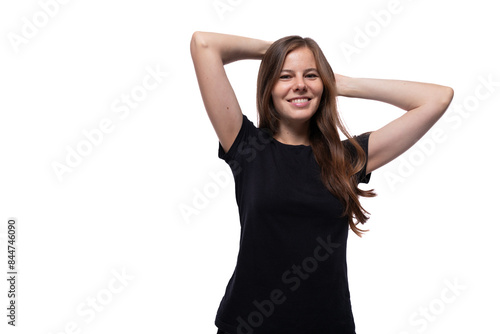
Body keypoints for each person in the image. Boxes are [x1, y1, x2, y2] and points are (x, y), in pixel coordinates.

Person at [190, 31, 453, 334]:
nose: (299, 84)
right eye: (285, 76)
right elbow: (204, 44)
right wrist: (274, 51)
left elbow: (437, 98)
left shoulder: (348, 157)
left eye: (311, 75)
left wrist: (345, 84)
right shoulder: (247, 146)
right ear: (269, 88)